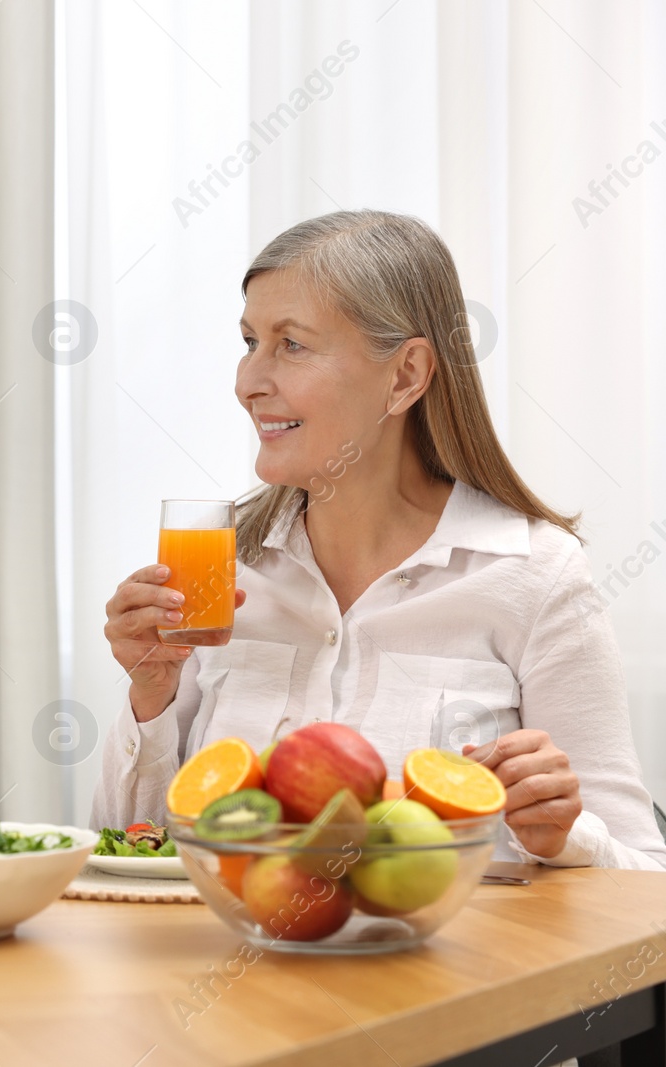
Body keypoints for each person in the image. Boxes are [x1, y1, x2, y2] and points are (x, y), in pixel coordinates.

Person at [92, 210, 666, 871]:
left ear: (405, 375)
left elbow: (647, 886)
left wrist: (564, 834)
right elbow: (124, 849)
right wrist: (151, 693)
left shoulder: (535, 575)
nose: (248, 381)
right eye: (250, 341)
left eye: (292, 344)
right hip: (236, 969)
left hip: (454, 975)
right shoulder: (225, 571)